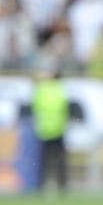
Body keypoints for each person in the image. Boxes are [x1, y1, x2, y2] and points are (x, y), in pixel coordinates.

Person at [31, 65, 71, 194]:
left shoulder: (41, 89)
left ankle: (40, 185)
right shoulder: (61, 90)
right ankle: (62, 186)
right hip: (58, 129)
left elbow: (35, 108)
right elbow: (66, 109)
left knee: (42, 161)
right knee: (60, 161)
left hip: (43, 130)